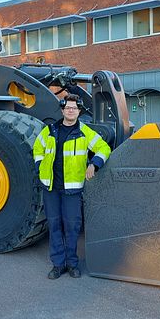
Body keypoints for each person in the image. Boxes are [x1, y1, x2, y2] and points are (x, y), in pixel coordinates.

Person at [33, 94, 111, 279]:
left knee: (72, 226)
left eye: (74, 108)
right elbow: (37, 149)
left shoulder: (84, 132)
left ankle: (72, 263)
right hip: (51, 188)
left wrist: (94, 164)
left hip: (72, 190)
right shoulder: (50, 130)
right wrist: (40, 167)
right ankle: (58, 265)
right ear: (62, 110)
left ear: (79, 111)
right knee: (54, 225)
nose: (71, 110)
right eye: (68, 107)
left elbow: (104, 148)